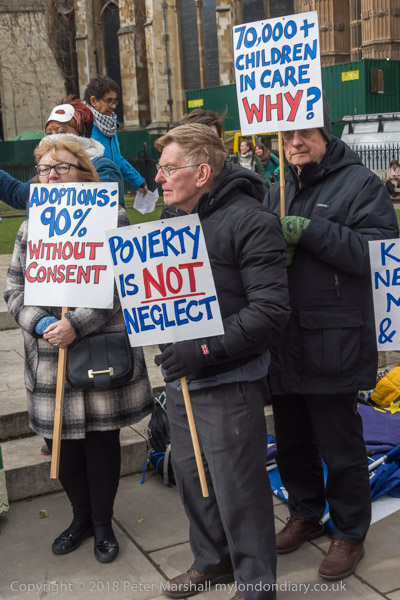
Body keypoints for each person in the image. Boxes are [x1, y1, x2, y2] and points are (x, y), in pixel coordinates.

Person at [263, 93, 399, 580]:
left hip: (333, 339)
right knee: (292, 440)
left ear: (325, 134)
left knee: (340, 446)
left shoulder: (360, 184)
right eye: (288, 134)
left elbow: (377, 253)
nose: (295, 142)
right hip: (283, 337)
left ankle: (349, 532)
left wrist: (308, 230)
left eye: (305, 132)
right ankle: (305, 513)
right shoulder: (276, 187)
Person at [153, 124, 290, 600]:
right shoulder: (172, 220)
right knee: (193, 479)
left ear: (202, 173)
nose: (158, 178)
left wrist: (202, 348)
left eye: (168, 169)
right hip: (181, 379)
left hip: (229, 378)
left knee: (239, 489)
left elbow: (270, 310)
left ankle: (255, 586)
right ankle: (212, 561)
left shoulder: (251, 221)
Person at [4, 135, 153, 563]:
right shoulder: (31, 225)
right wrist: (43, 323)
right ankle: (80, 518)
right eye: (44, 169)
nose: (50, 175)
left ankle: (103, 524)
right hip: (49, 356)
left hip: (98, 348)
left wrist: (77, 323)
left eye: (61, 167)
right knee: (62, 446)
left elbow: (124, 284)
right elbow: (14, 289)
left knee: (102, 443)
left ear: (83, 173)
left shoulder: (112, 216)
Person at [0, 98, 125, 210]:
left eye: (61, 132)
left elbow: (100, 210)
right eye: (49, 133)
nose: (53, 139)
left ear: (82, 134)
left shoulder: (103, 168)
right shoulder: (48, 170)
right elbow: (19, 195)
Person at [83, 76, 148, 196]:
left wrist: (138, 181)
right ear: (93, 101)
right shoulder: (82, 126)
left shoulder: (110, 125)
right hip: (94, 195)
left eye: (114, 101)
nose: (113, 106)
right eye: (109, 100)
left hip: (115, 192)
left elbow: (117, 159)